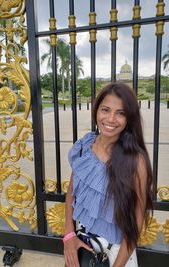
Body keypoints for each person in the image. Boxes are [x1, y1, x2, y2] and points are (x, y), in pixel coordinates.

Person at [64, 82, 154, 267]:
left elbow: (135, 223)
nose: (111, 119)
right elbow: (71, 192)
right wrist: (69, 236)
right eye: (105, 110)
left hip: (117, 253)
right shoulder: (83, 147)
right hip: (82, 246)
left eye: (120, 113)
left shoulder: (136, 161)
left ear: (129, 118)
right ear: (96, 111)